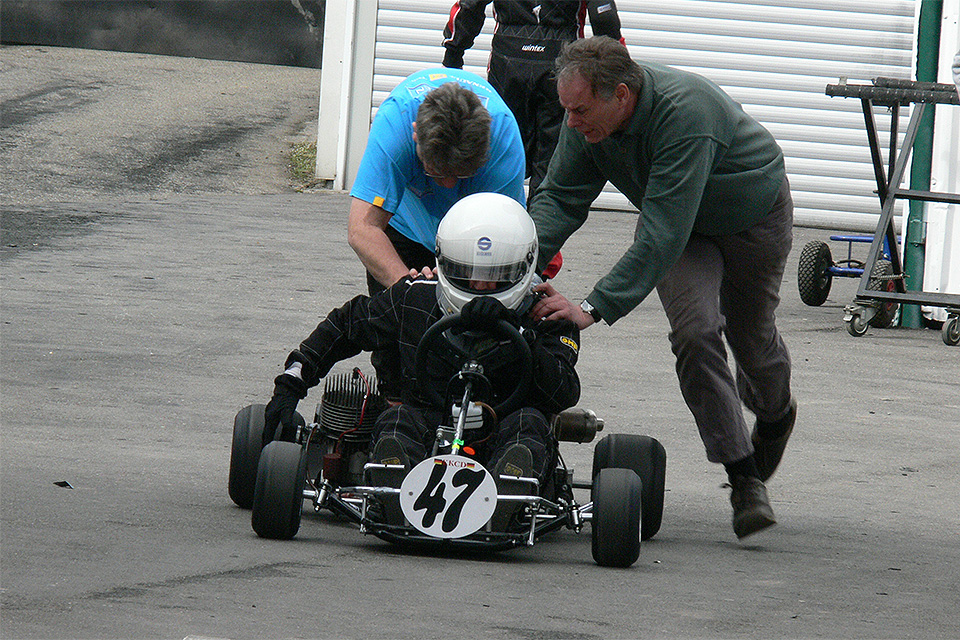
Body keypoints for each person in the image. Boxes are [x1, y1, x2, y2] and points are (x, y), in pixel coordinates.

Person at [528, 36, 797, 539]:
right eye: (566, 109)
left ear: (622, 95)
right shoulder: (588, 123)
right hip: (684, 232)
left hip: (750, 218)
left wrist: (593, 306)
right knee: (696, 333)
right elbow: (560, 198)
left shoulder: (685, 114)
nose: (571, 121)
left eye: (580, 109)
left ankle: (777, 414)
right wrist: (514, 263)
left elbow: (660, 236)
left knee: (751, 338)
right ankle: (744, 478)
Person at [266, 193, 581, 524]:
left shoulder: (549, 316)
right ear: (444, 263)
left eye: (495, 276)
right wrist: (290, 383)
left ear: (523, 269)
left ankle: (508, 496)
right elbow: (345, 327)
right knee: (395, 421)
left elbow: (562, 392)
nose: (479, 285)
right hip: (427, 422)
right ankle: (394, 487)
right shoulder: (416, 298)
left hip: (505, 425)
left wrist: (520, 332)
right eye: (466, 272)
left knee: (528, 424)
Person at [348, 67, 526, 401]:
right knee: (397, 345)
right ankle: (396, 415)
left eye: (462, 174)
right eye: (435, 171)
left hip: (478, 235)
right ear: (416, 133)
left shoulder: (502, 136)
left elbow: (505, 240)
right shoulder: (396, 122)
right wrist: (410, 291)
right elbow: (363, 228)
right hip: (406, 230)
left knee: (478, 341)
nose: (447, 185)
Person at [441, 1, 624, 194]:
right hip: (559, 60)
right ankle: (539, 220)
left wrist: (453, 53)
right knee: (551, 162)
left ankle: (495, 217)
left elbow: (469, 5)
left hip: (508, 59)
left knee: (501, 150)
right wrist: (617, 68)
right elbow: (603, 16)